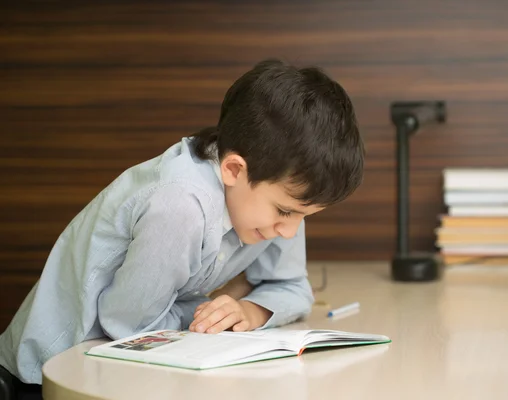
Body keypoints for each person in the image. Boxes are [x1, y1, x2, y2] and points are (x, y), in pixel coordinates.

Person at [0, 58, 365, 397]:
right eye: (285, 212)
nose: (289, 231)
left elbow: (294, 289)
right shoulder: (181, 204)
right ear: (234, 170)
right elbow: (130, 325)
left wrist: (250, 310)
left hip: (122, 370)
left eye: (304, 216)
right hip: (53, 374)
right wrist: (219, 304)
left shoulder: (275, 201)